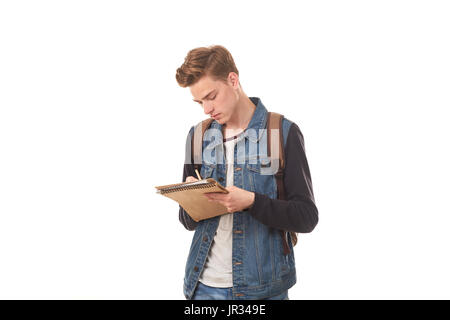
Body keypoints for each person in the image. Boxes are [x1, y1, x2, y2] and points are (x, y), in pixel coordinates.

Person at [175, 45, 318, 300]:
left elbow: (306, 217)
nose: (206, 109)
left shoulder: (281, 133)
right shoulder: (197, 136)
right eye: (200, 102)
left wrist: (251, 202)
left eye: (211, 96)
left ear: (233, 80)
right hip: (203, 287)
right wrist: (189, 199)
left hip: (264, 290)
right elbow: (186, 222)